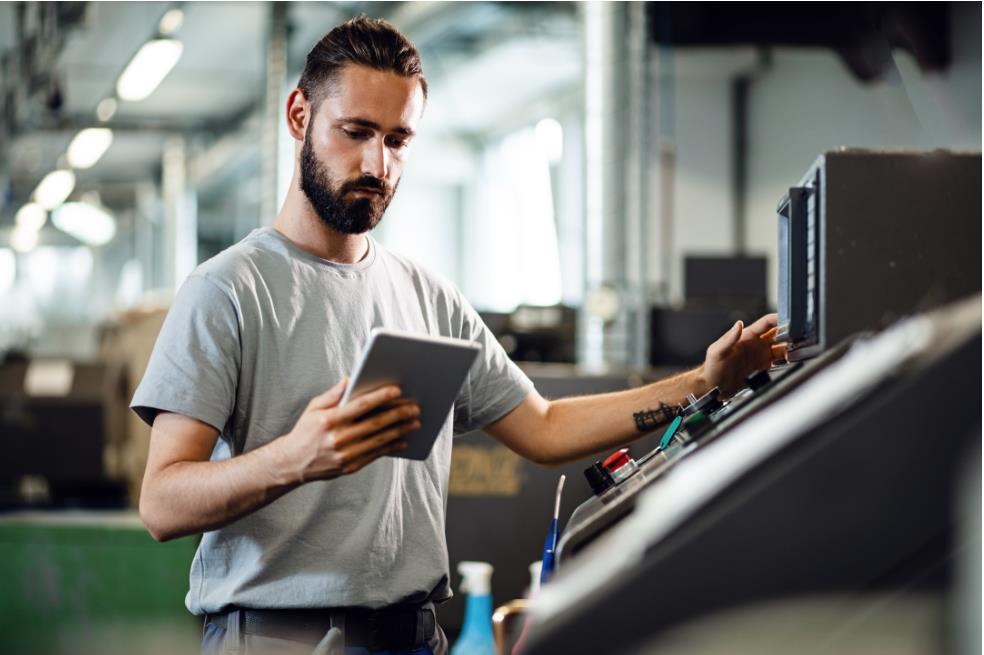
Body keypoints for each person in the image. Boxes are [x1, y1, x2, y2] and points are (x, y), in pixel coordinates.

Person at [133, 16, 783, 655]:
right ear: (299, 115)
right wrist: (295, 455)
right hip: (279, 637)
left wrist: (701, 384)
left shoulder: (429, 295)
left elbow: (546, 427)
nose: (376, 163)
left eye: (398, 139)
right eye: (355, 131)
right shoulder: (229, 290)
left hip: (415, 635)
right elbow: (162, 502)